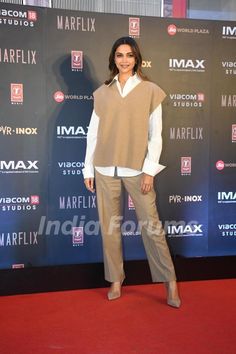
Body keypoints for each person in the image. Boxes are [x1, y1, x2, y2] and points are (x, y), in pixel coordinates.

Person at [83, 36, 181, 308]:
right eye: (119, 55)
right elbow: (93, 134)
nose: (124, 60)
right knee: (110, 228)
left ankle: (170, 281)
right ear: (113, 59)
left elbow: (156, 136)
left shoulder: (150, 90)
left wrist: (149, 171)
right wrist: (87, 168)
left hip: (137, 169)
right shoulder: (102, 93)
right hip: (104, 167)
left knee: (152, 227)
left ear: (136, 58)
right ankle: (115, 279)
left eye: (128, 55)